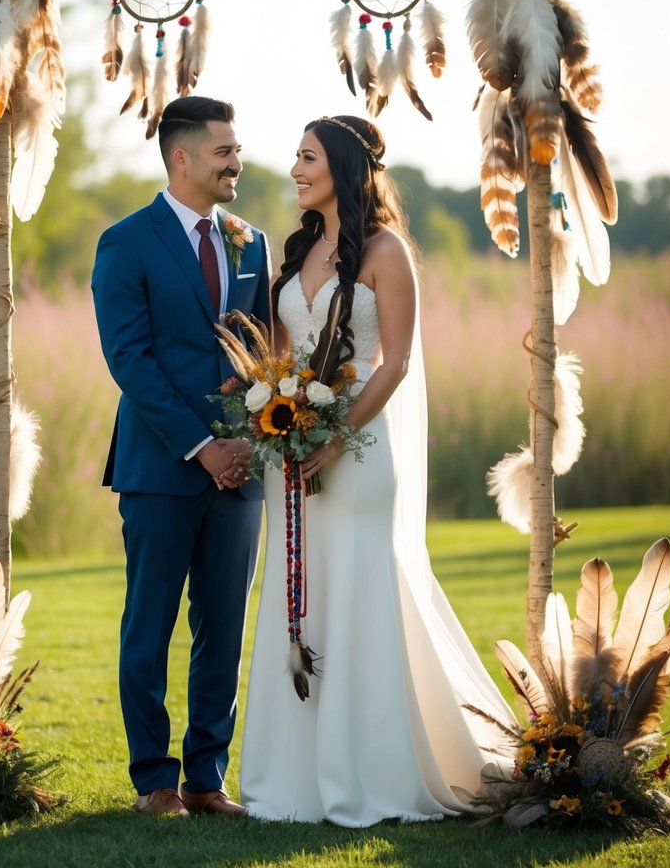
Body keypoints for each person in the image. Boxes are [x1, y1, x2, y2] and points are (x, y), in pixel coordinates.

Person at [240, 114, 513, 826]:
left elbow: (393, 362)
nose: (294, 170)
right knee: (298, 597)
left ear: (340, 166)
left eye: (306, 158)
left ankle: (371, 770)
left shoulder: (385, 251)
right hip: (290, 453)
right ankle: (292, 779)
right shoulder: (297, 250)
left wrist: (335, 437)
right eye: (295, 158)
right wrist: (277, 416)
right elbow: (275, 359)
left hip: (357, 453)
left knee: (359, 595)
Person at [92, 95, 271, 818]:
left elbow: (262, 351)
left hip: (241, 469)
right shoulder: (124, 242)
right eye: (225, 149)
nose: (237, 161)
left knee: (222, 627)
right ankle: (153, 782)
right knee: (150, 623)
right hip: (162, 466)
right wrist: (201, 447)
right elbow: (128, 360)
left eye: (237, 148)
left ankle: (205, 777)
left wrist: (247, 440)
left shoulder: (251, 242)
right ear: (182, 158)